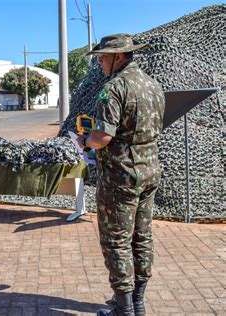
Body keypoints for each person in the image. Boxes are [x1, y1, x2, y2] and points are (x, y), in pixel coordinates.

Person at [77, 34, 165, 316]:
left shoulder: (113, 88)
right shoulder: (153, 85)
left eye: (103, 57)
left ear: (118, 57)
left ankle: (124, 309)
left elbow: (102, 137)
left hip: (120, 177)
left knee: (116, 240)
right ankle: (137, 303)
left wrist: (84, 141)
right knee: (142, 237)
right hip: (150, 170)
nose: (100, 62)